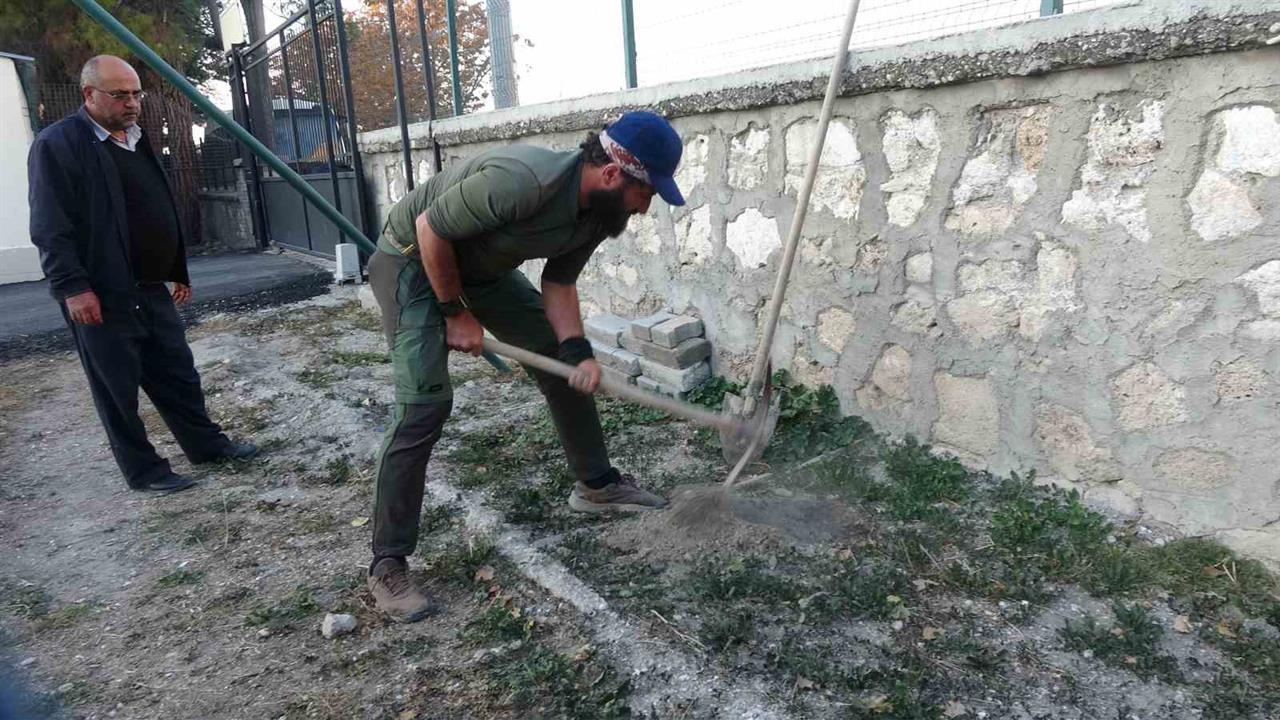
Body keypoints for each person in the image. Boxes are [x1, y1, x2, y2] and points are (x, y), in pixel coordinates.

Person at [366, 110, 685, 622]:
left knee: (563, 366)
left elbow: (559, 284)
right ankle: (387, 563)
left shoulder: (600, 214)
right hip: (411, 261)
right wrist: (454, 312)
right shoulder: (523, 181)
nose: (645, 208)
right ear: (612, 174)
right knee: (425, 406)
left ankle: (597, 486)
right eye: (645, 194)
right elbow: (430, 230)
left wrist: (577, 352)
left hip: (481, 272)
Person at [27, 55, 257, 495]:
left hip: (150, 287)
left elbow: (154, 206)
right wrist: (73, 287)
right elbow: (49, 226)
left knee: (178, 373)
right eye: (119, 94)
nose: (131, 103)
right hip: (102, 292)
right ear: (88, 95)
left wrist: (176, 268)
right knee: (117, 388)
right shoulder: (59, 144)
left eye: (135, 93)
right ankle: (145, 471)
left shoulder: (136, 138)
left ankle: (207, 446)